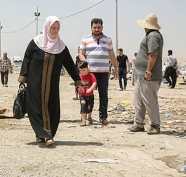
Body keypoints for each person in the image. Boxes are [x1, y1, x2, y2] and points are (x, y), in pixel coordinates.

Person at [18, 16, 82, 146]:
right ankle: (43, 134)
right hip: (35, 82)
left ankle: (47, 134)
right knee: (35, 108)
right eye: (53, 27)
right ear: (47, 27)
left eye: (58, 28)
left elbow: (69, 64)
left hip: (52, 85)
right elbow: (27, 60)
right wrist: (23, 78)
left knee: (52, 108)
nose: (55, 30)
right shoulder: (36, 42)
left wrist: (77, 80)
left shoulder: (61, 46)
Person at [128, 13, 164, 135]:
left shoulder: (153, 36)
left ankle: (155, 125)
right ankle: (138, 123)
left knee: (149, 100)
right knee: (139, 100)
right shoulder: (151, 35)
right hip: (142, 75)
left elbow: (153, 54)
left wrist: (148, 71)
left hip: (149, 76)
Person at [79, 18, 118, 125]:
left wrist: (115, 68)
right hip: (89, 73)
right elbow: (81, 54)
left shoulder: (108, 40)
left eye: (99, 27)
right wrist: (86, 64)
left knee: (103, 95)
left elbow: (112, 55)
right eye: (94, 27)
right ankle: (87, 116)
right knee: (87, 95)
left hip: (103, 73)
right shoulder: (85, 39)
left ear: (102, 27)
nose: (96, 29)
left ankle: (103, 117)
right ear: (91, 27)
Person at [77, 61, 97, 126]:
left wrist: (90, 89)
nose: (82, 72)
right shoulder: (79, 76)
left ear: (87, 69)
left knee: (90, 106)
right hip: (82, 94)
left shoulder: (91, 75)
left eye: (83, 70)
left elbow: (94, 83)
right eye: (80, 70)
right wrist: (80, 87)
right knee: (83, 105)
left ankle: (89, 117)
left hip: (90, 94)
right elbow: (77, 83)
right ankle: (83, 120)